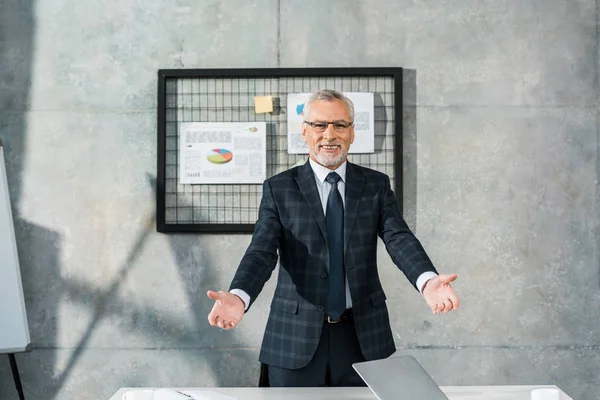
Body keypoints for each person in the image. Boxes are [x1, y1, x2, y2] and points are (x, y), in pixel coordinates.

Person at [207, 89, 460, 387]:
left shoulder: (375, 185)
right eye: (319, 125)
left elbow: (398, 237)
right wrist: (239, 295)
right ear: (304, 131)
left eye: (340, 125)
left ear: (352, 132)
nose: (330, 134)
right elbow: (261, 251)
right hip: (293, 336)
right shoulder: (279, 189)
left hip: (362, 336)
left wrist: (427, 279)